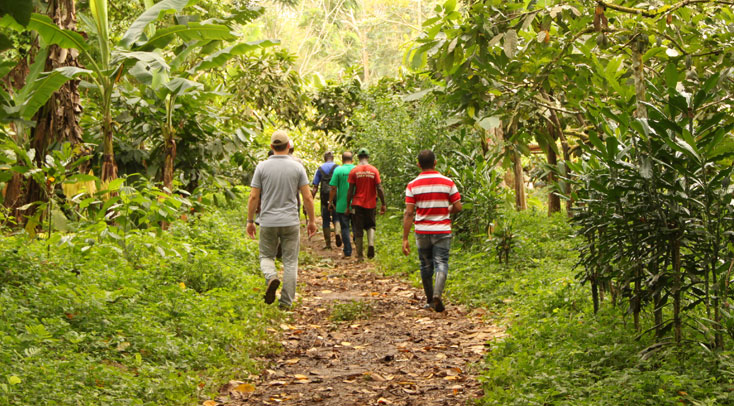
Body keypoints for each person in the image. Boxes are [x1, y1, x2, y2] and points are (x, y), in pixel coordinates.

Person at [247, 130, 317, 309]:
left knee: (265, 256)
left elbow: (254, 197)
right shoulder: (297, 167)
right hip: (291, 221)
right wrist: (311, 221)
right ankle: (285, 303)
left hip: (268, 221)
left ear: (271, 147)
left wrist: (249, 221)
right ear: (288, 146)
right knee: (290, 261)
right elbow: (308, 197)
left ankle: (271, 277)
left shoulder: (261, 167)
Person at [401, 149, 462, 313]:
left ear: (418, 164)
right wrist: (445, 210)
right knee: (441, 262)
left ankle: (430, 300)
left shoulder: (412, 185)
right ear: (435, 162)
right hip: (442, 230)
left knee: (425, 264)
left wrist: (405, 238)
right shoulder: (448, 182)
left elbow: (409, 213)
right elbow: (458, 206)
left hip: (422, 231)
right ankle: (437, 294)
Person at [346, 148, 386, 261]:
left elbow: (350, 190)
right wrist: (383, 203)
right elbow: (379, 188)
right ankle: (371, 244)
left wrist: (347, 205)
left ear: (358, 158)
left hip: (357, 204)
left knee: (358, 229)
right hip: (371, 204)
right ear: (368, 157)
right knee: (370, 225)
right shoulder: (374, 170)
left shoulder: (354, 171)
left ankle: (360, 256)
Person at [328, 151, 356, 257]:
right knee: (355, 226)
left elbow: (333, 188)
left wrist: (330, 201)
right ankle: (358, 246)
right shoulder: (356, 169)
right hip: (356, 204)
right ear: (352, 159)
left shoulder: (338, 170)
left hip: (341, 204)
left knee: (344, 228)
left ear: (342, 160)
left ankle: (348, 251)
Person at [311, 151, 340, 249]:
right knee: (336, 218)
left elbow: (315, 187)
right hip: (336, 196)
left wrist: (311, 199)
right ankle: (337, 233)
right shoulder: (338, 168)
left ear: (324, 158)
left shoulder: (320, 169)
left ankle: (328, 244)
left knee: (326, 220)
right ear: (333, 158)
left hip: (324, 197)